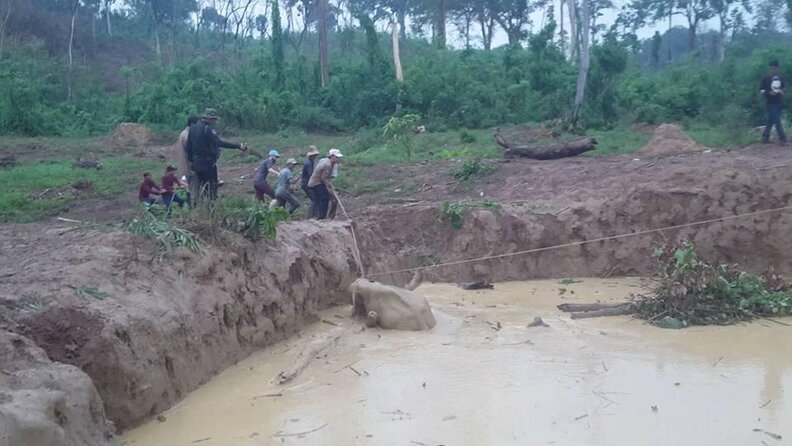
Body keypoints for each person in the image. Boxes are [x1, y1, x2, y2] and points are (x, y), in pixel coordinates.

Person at [186, 108, 247, 203]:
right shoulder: (208, 129)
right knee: (211, 187)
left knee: (202, 186)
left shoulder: (193, 128)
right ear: (209, 118)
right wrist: (237, 146)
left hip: (197, 163)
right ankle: (211, 209)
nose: (214, 122)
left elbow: (188, 146)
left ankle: (202, 209)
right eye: (214, 119)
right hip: (208, 163)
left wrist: (192, 161)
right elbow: (218, 142)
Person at [308, 148, 343, 220]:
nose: (338, 159)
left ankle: (326, 216)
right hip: (316, 183)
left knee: (326, 198)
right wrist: (330, 186)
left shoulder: (327, 162)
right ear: (332, 156)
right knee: (324, 198)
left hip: (319, 182)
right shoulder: (328, 165)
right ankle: (322, 217)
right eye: (336, 157)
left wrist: (329, 185)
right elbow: (323, 178)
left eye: (339, 158)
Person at [760, 59, 787, 144]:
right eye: (772, 68)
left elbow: (783, 88)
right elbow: (761, 90)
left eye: (775, 68)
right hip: (770, 101)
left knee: (771, 119)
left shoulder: (780, 78)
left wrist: (781, 91)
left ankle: (765, 136)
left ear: (777, 69)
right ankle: (782, 137)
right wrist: (768, 93)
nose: (773, 70)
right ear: (769, 68)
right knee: (776, 119)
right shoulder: (766, 79)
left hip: (778, 101)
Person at [177, 116, 200, 203]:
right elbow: (192, 150)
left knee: (190, 187)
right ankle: (194, 208)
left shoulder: (183, 133)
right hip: (190, 165)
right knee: (194, 187)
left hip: (185, 165)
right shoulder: (187, 134)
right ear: (192, 124)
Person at [301, 146, 321, 218]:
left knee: (315, 199)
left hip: (307, 183)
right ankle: (311, 216)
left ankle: (312, 216)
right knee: (315, 199)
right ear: (311, 156)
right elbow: (311, 174)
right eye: (314, 155)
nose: (315, 157)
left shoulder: (310, 162)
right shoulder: (309, 163)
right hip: (306, 184)